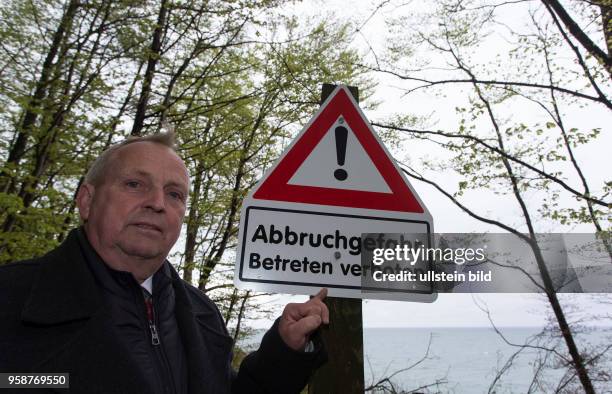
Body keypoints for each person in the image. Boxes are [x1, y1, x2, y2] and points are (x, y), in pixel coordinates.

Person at [0, 131, 329, 394]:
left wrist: (283, 350)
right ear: (87, 200)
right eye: (134, 185)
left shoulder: (202, 313)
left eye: (174, 194)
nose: (157, 203)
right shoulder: (12, 298)